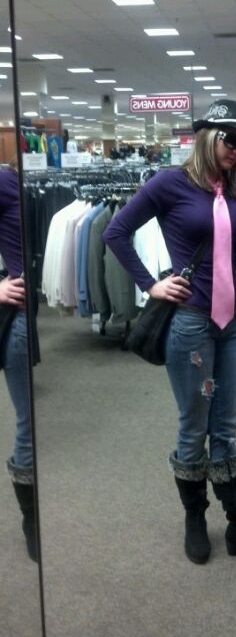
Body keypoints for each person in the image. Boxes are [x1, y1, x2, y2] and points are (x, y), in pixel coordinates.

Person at [103, 99, 236, 564]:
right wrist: (151, 284)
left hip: (233, 325)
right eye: (231, 139)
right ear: (207, 136)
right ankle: (195, 519)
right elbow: (115, 232)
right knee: (194, 426)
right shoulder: (169, 183)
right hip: (190, 325)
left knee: (225, 427)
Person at [0, 161, 37, 562]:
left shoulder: (7, 179)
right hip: (11, 314)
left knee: (29, 419)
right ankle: (32, 519)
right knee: (28, 422)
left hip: (20, 318)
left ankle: (32, 517)